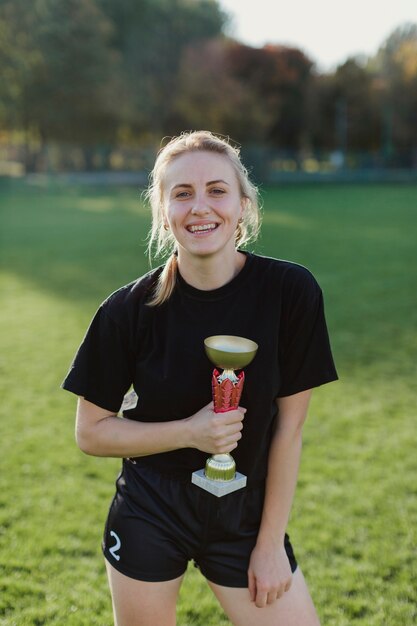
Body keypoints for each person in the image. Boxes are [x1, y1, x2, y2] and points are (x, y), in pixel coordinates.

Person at [62, 130, 338, 626]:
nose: (200, 208)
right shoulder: (128, 310)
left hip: (245, 514)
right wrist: (190, 432)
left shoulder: (290, 293)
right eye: (182, 194)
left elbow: (289, 429)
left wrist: (271, 543)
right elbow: (90, 432)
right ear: (163, 211)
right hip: (150, 509)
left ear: (243, 204)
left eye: (216, 190)